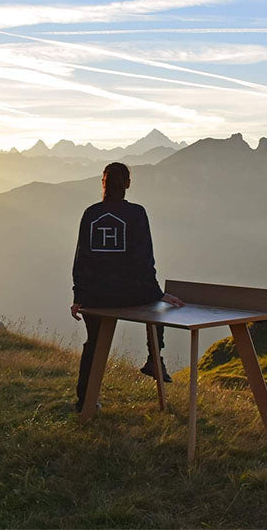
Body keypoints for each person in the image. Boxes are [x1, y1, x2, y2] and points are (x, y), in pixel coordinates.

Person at [70, 162, 184, 413]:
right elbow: (144, 260)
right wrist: (158, 294)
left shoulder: (91, 214)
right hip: (130, 293)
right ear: (128, 184)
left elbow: (82, 258)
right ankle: (155, 360)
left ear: (103, 183)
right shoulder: (137, 213)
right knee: (157, 308)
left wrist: (79, 294)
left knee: (93, 344)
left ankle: (84, 401)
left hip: (96, 295)